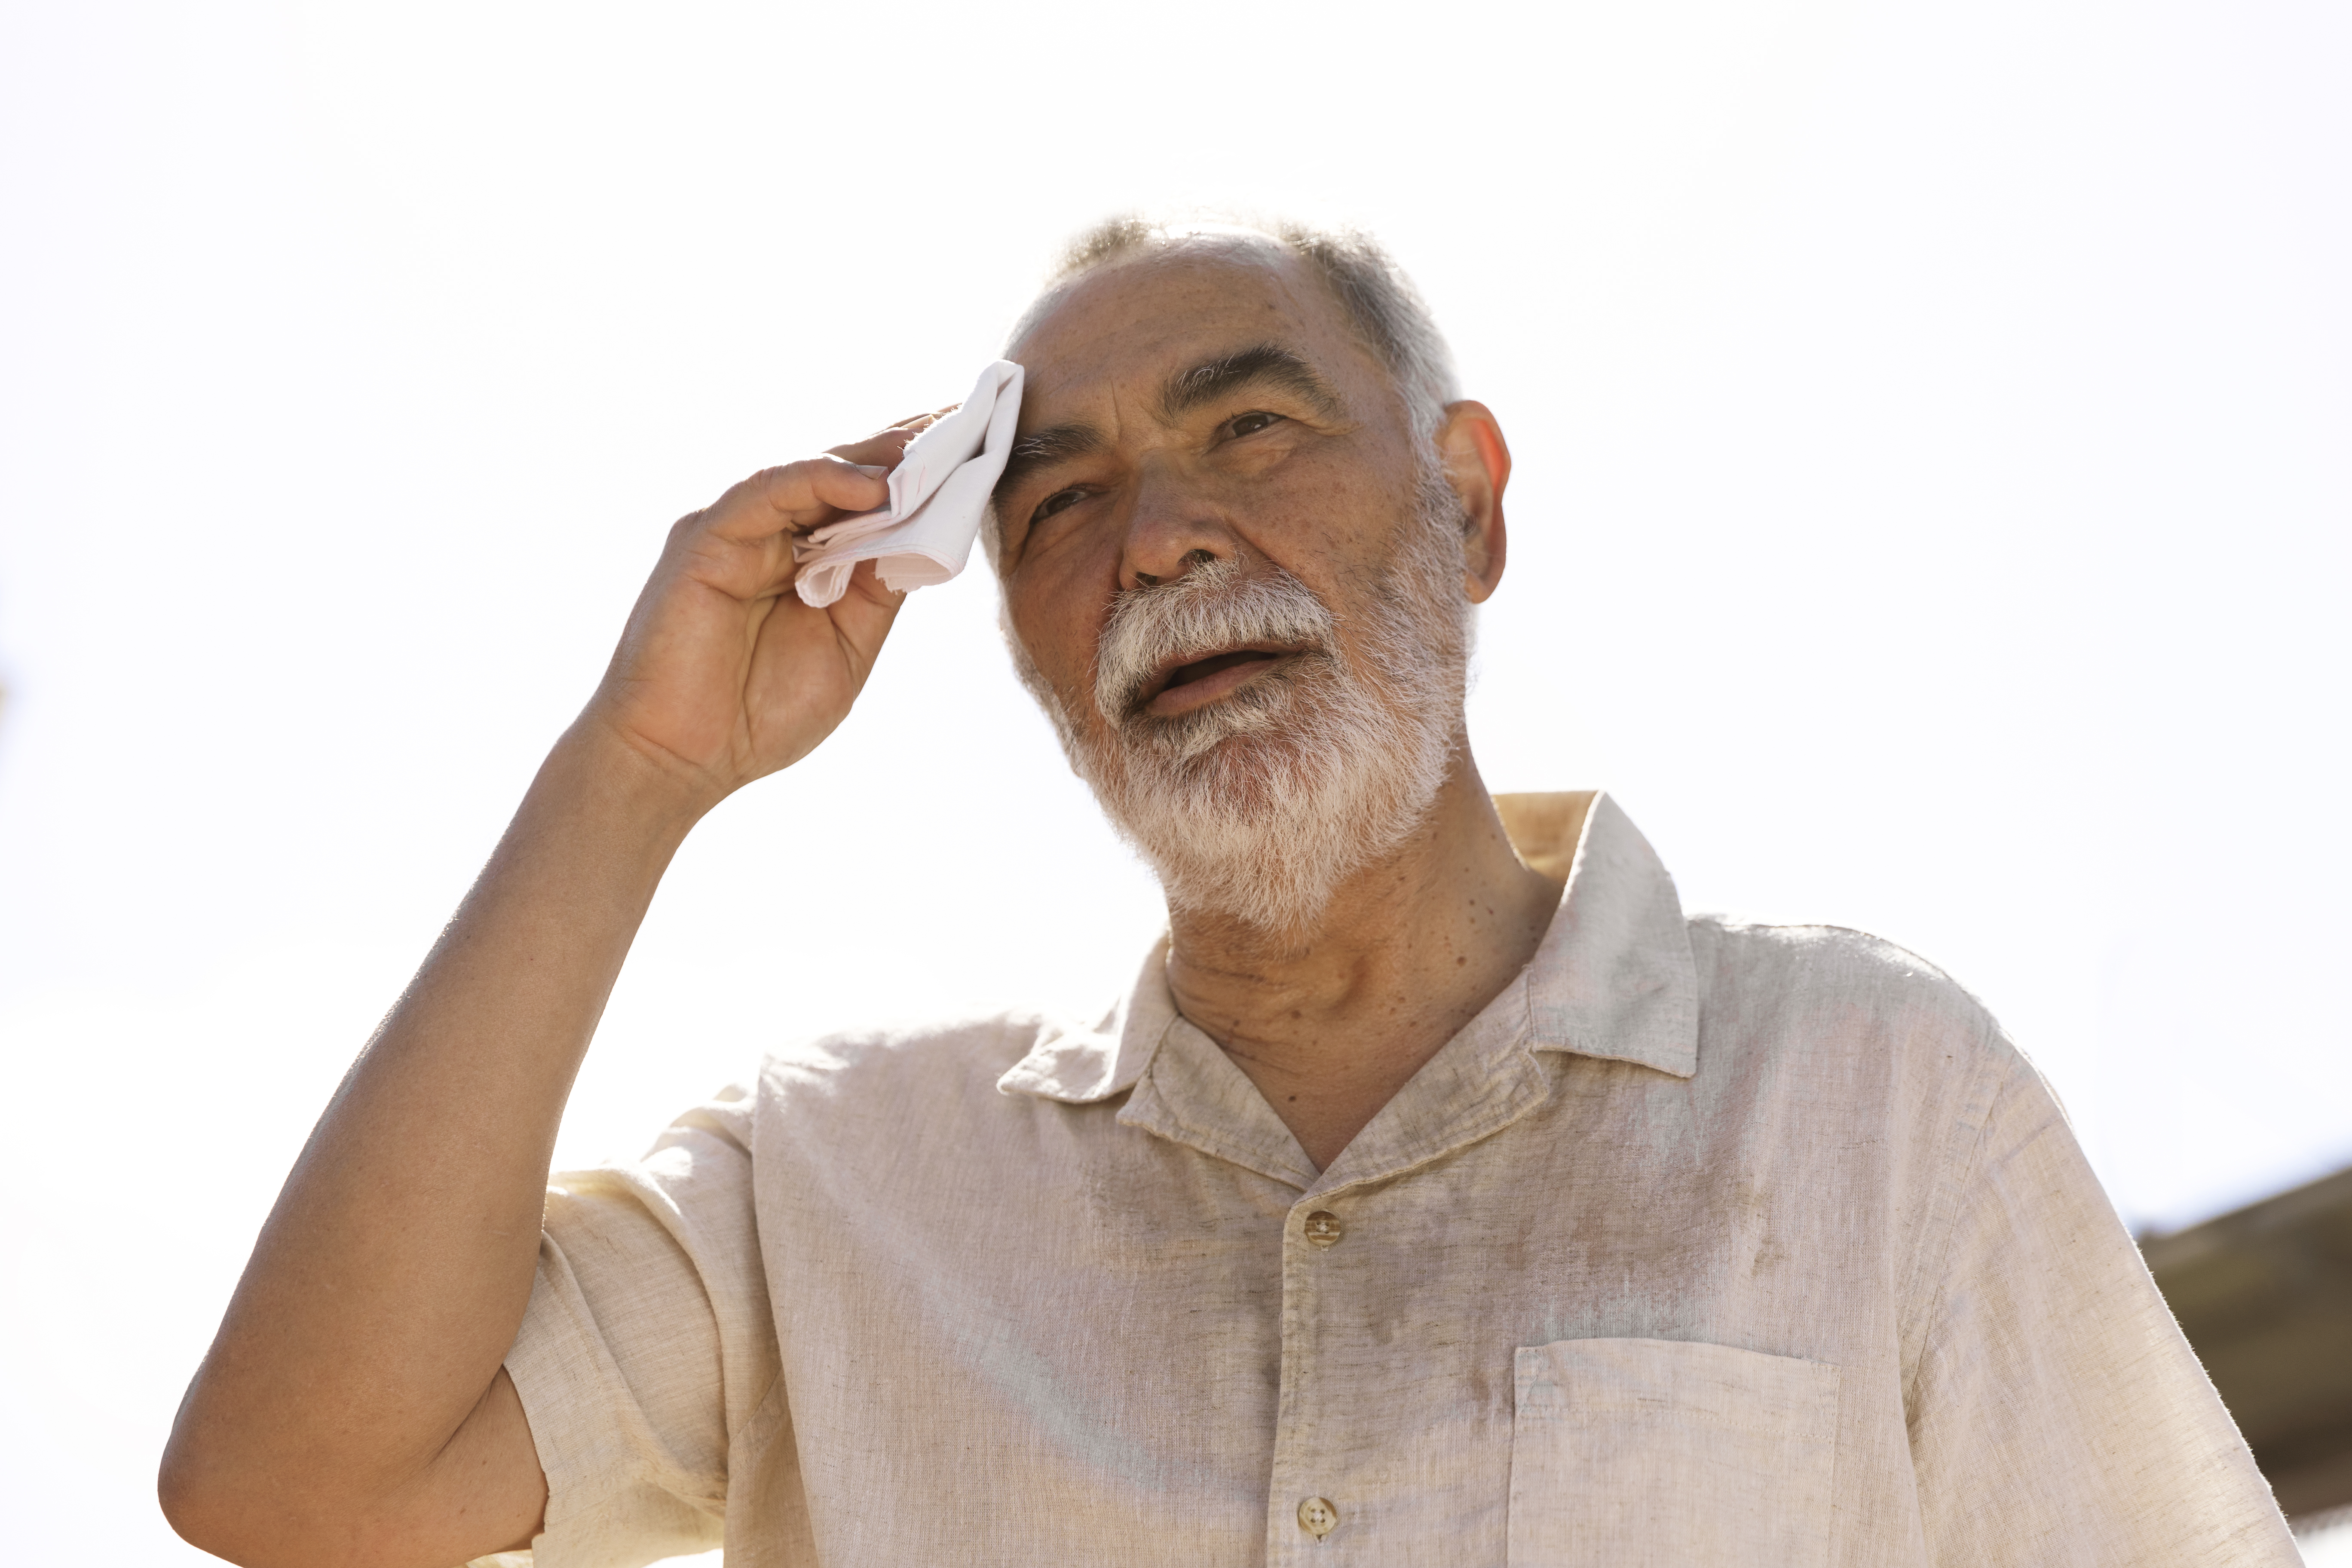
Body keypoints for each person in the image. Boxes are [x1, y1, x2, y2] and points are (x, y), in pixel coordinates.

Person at [157, 216, 2299, 1568]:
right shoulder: (835, 1184)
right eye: (1055, 505)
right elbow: (296, 1481)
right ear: (1022, 645)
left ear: (1467, 504)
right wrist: (636, 778)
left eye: (1252, 430)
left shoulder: (1874, 1088)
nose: (1155, 541)